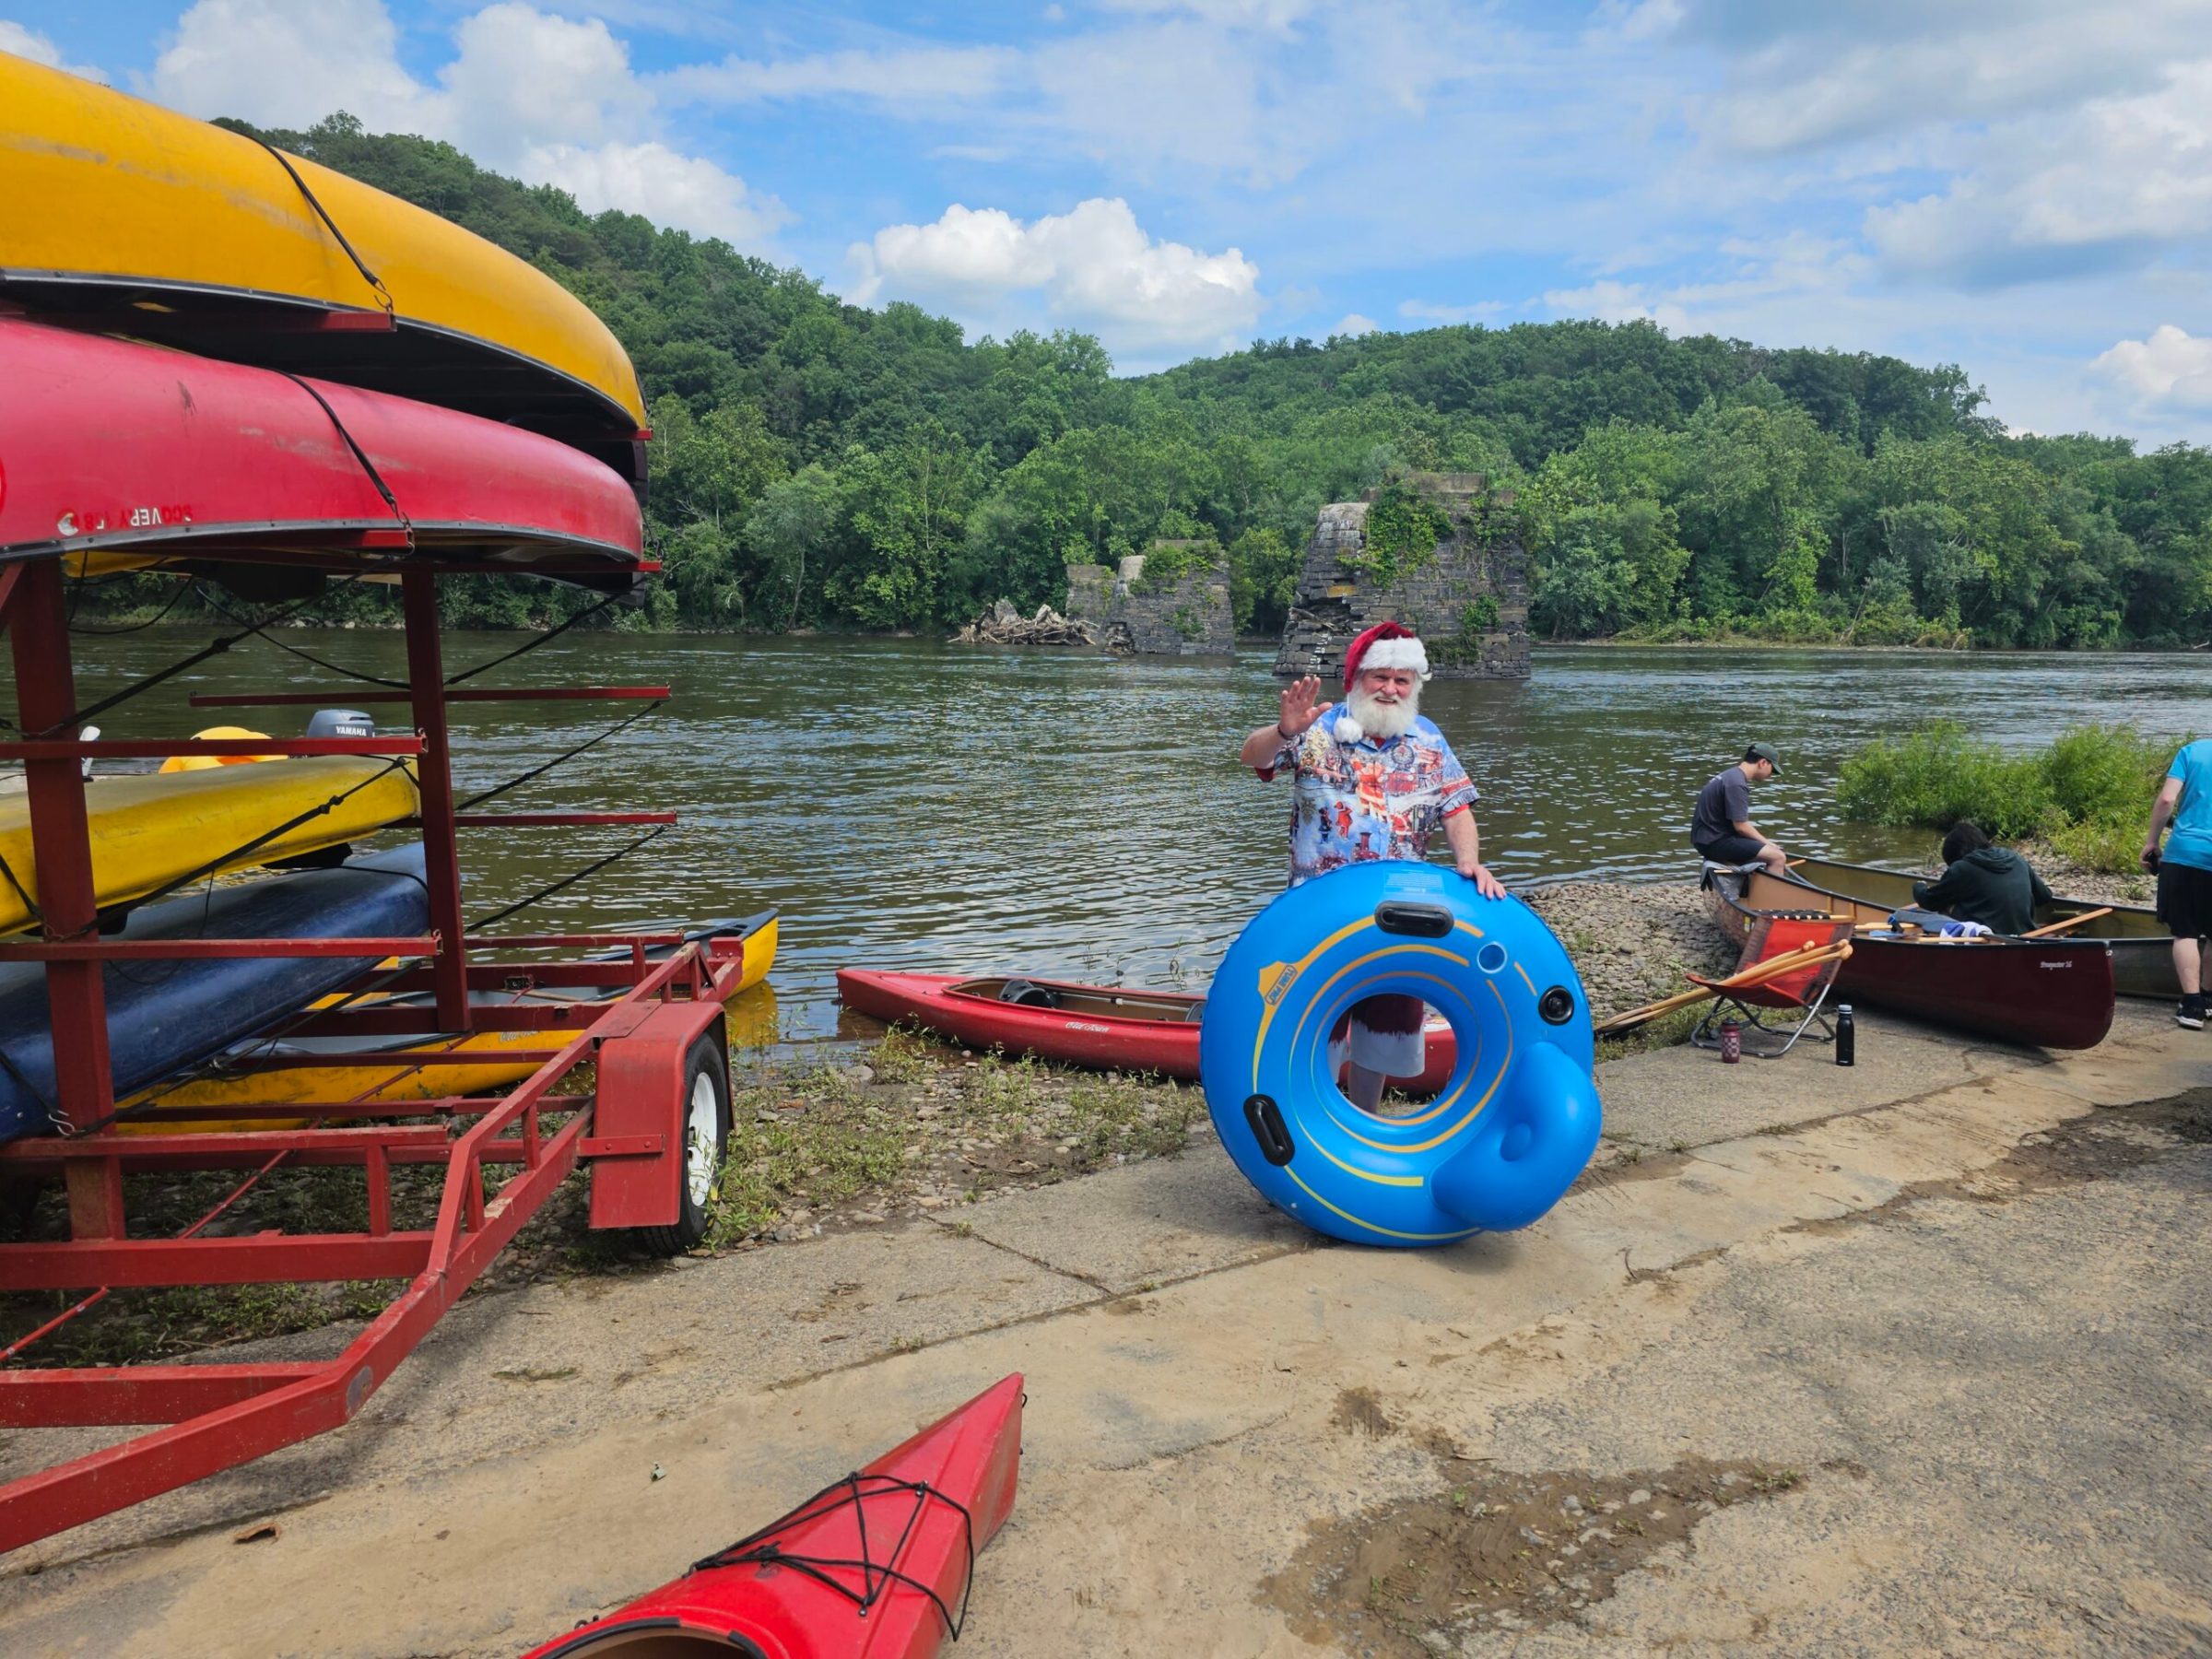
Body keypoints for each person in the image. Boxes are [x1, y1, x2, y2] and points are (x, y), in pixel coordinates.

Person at [1239, 620, 1504, 1114]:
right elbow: (1251, 756)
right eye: (1379, 677)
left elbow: (1457, 808)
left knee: (1384, 1028)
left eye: (1402, 680)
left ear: (1414, 687)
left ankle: (1364, 1123)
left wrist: (1470, 863)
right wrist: (1281, 730)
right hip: (1320, 912)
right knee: (1318, 1026)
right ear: (1357, 679)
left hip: (1398, 912)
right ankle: (1311, 1120)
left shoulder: (1428, 740)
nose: (1390, 688)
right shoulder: (1316, 728)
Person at [2141, 736, 2212, 1029]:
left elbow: (2167, 799)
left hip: (2186, 853)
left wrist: (2152, 841)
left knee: (2185, 931)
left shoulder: (2192, 751)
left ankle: (2193, 1005)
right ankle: (2209, 998)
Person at [1910, 820, 2053, 935]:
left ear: (1956, 854)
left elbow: (1930, 901)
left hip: (1988, 938)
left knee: (1944, 909)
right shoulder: (2016, 859)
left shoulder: (1962, 868)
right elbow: (2044, 896)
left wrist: (1919, 887)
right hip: (2026, 935)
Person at [1689, 744, 1786, 877]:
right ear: (1763, 763)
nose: (1771, 775)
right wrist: (1768, 843)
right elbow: (1741, 826)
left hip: (1705, 838)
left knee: (1762, 850)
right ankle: (1775, 896)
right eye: (1772, 770)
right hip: (1714, 841)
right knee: (1778, 857)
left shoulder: (1730, 775)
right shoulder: (1737, 783)